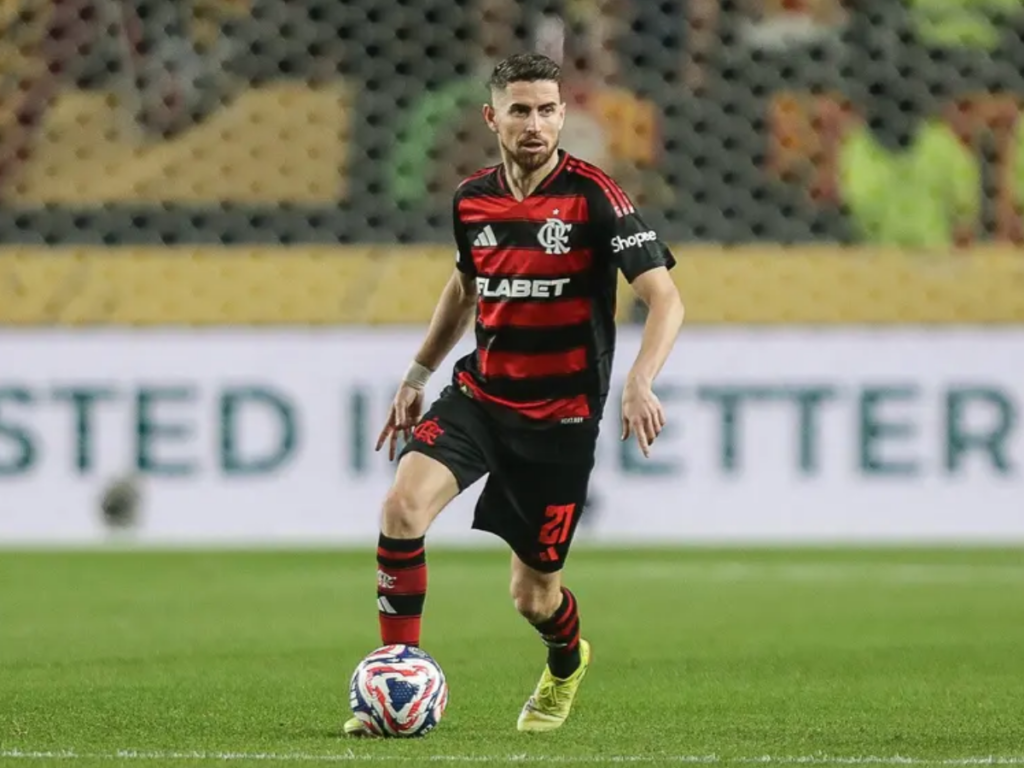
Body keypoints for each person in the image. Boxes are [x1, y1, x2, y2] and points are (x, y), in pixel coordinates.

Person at [343, 51, 685, 737]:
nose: (535, 124)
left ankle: (566, 659)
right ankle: (396, 675)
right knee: (401, 508)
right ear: (491, 117)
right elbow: (464, 289)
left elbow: (665, 298)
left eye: (547, 110)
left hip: (559, 421)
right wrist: (418, 374)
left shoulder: (595, 197)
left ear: (562, 115)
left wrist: (640, 378)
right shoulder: (472, 199)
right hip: (480, 397)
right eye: (520, 110)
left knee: (533, 596)